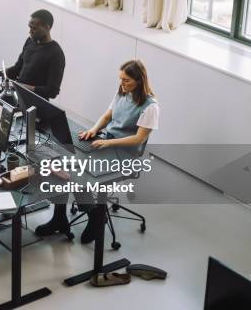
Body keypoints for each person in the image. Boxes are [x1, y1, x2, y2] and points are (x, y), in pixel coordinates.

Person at [35, 60, 160, 243]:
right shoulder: (122, 93)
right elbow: (108, 116)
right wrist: (94, 130)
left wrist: (109, 143)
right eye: (120, 79)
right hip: (106, 143)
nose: (122, 84)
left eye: (126, 80)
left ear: (139, 81)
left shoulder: (151, 107)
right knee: (60, 161)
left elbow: (139, 138)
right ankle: (59, 217)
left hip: (125, 154)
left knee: (76, 172)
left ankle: (94, 215)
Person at [0, 9, 65, 100]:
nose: (30, 31)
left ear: (47, 28)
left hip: (33, 103)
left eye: (34, 28)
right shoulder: (30, 41)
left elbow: (52, 91)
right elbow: (16, 69)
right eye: (30, 27)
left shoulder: (56, 54)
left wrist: (21, 86)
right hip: (17, 93)